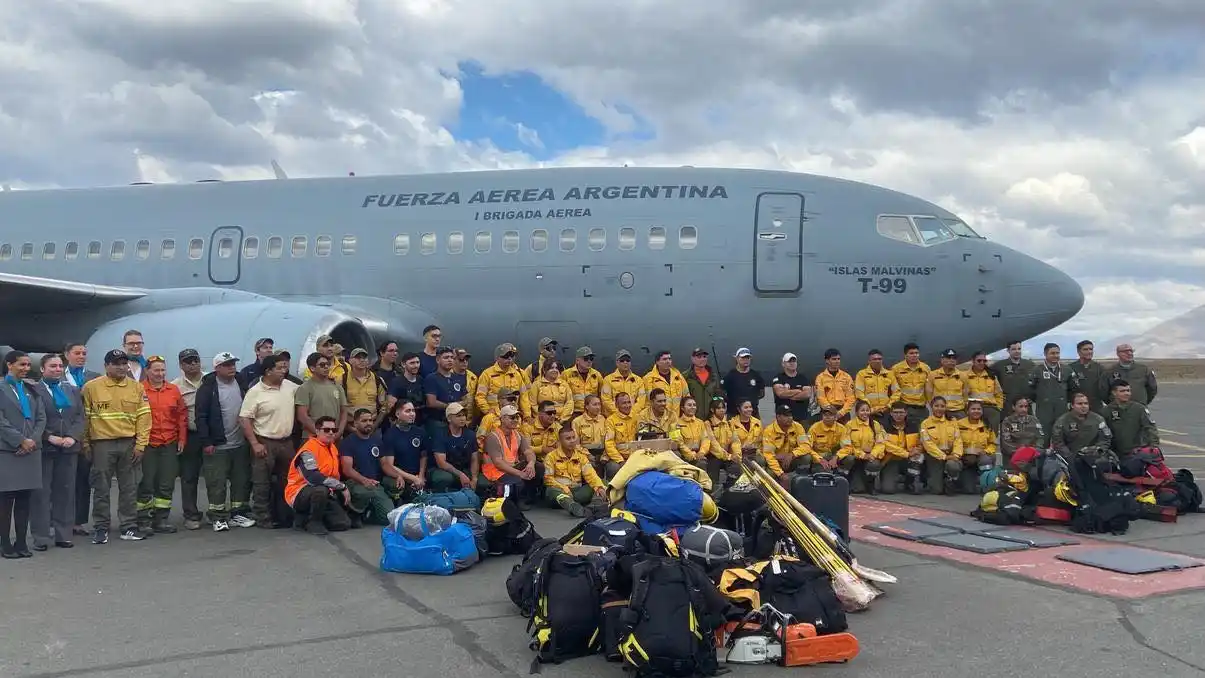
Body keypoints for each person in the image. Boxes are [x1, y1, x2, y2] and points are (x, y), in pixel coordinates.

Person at [81, 350, 151, 544]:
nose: (121, 367)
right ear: (106, 366)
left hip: (129, 444)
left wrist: (141, 444)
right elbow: (85, 418)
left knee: (129, 487)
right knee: (101, 487)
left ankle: (128, 526)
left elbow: (144, 418)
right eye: (116, 363)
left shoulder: (136, 388)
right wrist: (85, 443)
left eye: (124, 363)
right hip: (102, 444)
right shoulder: (91, 388)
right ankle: (101, 527)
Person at [30, 353, 84, 550]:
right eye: (52, 366)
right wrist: (49, 436)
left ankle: (63, 534)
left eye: (60, 366)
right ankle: (41, 537)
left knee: (65, 492)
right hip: (45, 448)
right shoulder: (34, 390)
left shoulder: (72, 390)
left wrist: (72, 436)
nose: (57, 369)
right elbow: (32, 419)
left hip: (69, 448)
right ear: (42, 369)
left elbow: (80, 416)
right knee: (41, 494)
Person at [0, 351, 46, 558]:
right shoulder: (1, 388)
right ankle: (4, 544)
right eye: (22, 364)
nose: (26, 368)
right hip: (8, 451)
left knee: (24, 500)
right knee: (6, 501)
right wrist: (20, 440)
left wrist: (32, 441)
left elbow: (41, 418)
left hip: (30, 451)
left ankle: (20, 542)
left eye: (28, 365)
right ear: (9, 365)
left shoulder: (31, 389)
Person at [137, 356, 187, 535]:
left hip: (169, 443)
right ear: (147, 371)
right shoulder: (139, 390)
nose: (160, 374)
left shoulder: (173, 390)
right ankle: (143, 520)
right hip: (149, 444)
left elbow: (181, 417)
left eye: (163, 370)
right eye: (156, 370)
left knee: (166, 483)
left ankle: (161, 519)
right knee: (146, 483)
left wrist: (182, 439)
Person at [284, 416, 352, 535]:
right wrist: (342, 486)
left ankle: (304, 518)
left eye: (333, 430)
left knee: (343, 523)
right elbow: (313, 477)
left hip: (326, 492)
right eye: (326, 430)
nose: (331, 433)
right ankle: (313, 523)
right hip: (299, 493)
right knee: (320, 490)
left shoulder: (332, 448)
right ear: (317, 431)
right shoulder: (308, 450)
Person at [339, 408, 393, 526]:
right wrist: (364, 480)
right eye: (364, 421)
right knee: (363, 493)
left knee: (389, 517)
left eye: (371, 420)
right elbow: (347, 470)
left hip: (374, 484)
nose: (368, 423)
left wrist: (398, 476)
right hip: (355, 483)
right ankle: (355, 513)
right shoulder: (348, 442)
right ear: (355, 423)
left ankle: (369, 514)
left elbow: (384, 464)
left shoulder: (376, 440)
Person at [542, 427, 607, 517]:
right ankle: (572, 507)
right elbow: (548, 479)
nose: (572, 441)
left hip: (576, 492)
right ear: (560, 441)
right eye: (568, 439)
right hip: (560, 493)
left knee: (601, 483)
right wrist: (564, 488)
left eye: (573, 437)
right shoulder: (551, 457)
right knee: (551, 490)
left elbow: (591, 475)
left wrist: (598, 487)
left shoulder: (581, 456)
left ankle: (594, 506)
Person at [381, 400, 429, 504]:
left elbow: (423, 456)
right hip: (400, 477)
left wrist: (420, 476)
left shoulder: (419, 432)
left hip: (418, 476)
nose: (412, 414)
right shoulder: (390, 435)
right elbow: (390, 465)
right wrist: (412, 478)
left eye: (413, 411)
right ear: (398, 414)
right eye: (407, 411)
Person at [428, 403, 479, 493]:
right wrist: (460, 474)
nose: (463, 418)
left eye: (464, 415)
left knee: (477, 481)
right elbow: (441, 463)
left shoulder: (470, 434)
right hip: (443, 469)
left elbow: (474, 459)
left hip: (463, 468)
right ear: (449, 419)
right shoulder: (440, 434)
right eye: (458, 416)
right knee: (444, 478)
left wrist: (474, 478)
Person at [1104, 380, 1160, 459]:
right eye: (1122, 391)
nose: (1126, 393)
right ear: (1114, 392)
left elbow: (1150, 428)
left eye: (1128, 390)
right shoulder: (1106, 411)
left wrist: (1154, 446)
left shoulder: (1139, 409)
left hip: (1136, 452)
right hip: (1115, 453)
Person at [919, 396, 962, 495]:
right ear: (931, 407)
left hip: (951, 455)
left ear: (946, 407)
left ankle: (951, 480)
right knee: (936, 490)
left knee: (952, 465)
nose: (939, 408)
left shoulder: (952, 421)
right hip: (935, 457)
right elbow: (928, 444)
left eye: (942, 406)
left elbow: (958, 440)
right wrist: (944, 456)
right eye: (936, 406)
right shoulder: (925, 424)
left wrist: (956, 455)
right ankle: (936, 478)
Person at [1050, 392, 1113, 459]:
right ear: (1072, 405)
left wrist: (1098, 451)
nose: (1084, 406)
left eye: (1086, 403)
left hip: (1095, 456)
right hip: (1071, 458)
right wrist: (1070, 456)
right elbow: (1058, 442)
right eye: (1080, 404)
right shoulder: (1062, 421)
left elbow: (1105, 438)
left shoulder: (1098, 419)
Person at [842, 400, 886, 494]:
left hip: (870, 457)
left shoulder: (875, 425)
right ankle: (847, 482)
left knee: (874, 464)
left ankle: (871, 484)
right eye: (862, 410)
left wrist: (872, 455)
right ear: (856, 412)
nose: (865, 413)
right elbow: (846, 445)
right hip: (855, 457)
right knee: (857, 489)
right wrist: (861, 454)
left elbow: (880, 443)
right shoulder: (849, 425)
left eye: (867, 410)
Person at [1000, 398, 1044, 465]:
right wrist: (1022, 453)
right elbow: (1006, 443)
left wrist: (1033, 451)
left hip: (1032, 456)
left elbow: (1040, 438)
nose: (1024, 409)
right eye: (1021, 406)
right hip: (1013, 457)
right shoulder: (1007, 421)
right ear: (1013, 407)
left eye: (1026, 406)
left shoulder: (1034, 420)